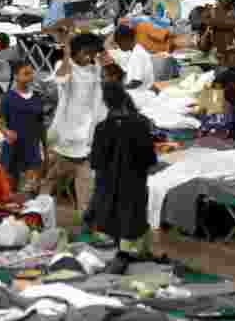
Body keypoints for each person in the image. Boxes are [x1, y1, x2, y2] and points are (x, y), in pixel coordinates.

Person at [87, 81, 157, 256]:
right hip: (134, 190)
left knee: (112, 236)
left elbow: (95, 163)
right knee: (133, 235)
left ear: (105, 102)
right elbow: (149, 160)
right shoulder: (141, 125)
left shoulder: (102, 129)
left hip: (108, 194)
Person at [42, 31, 105, 216]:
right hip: (66, 132)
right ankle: (39, 209)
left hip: (87, 134)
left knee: (84, 179)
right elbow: (61, 78)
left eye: (93, 54)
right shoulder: (64, 65)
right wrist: (67, 53)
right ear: (76, 52)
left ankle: (85, 215)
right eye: (87, 53)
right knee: (54, 177)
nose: (90, 57)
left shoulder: (95, 68)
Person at [0, 58, 46, 194]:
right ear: (16, 76)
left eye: (31, 73)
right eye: (26, 74)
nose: (30, 77)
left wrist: (45, 150)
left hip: (32, 148)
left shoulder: (38, 97)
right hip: (13, 149)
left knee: (32, 190)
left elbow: (41, 125)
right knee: (11, 190)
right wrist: (6, 132)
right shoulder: (8, 97)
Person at [110, 24, 155, 93]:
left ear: (127, 40)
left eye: (119, 43)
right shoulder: (136, 50)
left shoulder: (137, 55)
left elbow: (137, 82)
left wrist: (121, 88)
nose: (119, 46)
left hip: (141, 93)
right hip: (141, 89)